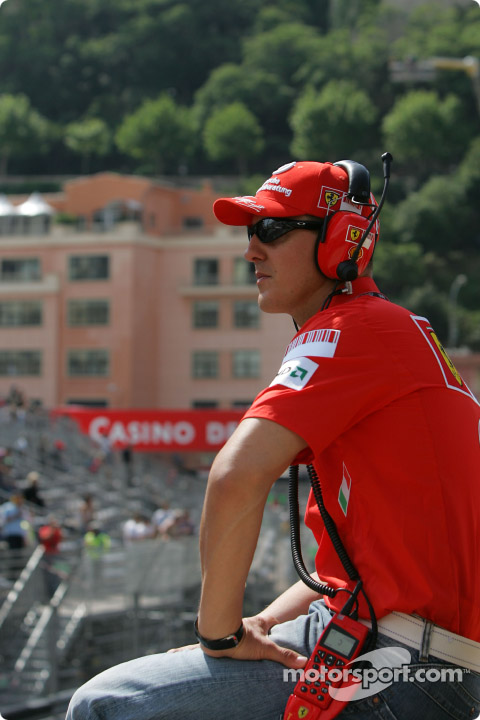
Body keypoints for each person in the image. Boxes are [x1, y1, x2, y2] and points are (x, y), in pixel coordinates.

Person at [65, 158, 480, 720]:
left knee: (103, 705)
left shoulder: (351, 329)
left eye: (272, 229)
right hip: (417, 653)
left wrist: (219, 635)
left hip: (398, 658)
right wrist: (260, 623)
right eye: (250, 232)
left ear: (341, 240)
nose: (251, 251)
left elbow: (235, 475)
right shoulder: (393, 331)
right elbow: (359, 571)